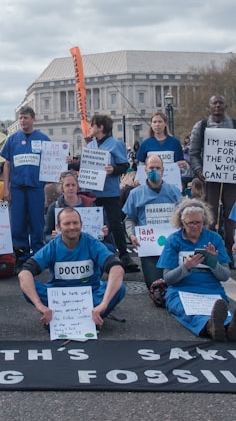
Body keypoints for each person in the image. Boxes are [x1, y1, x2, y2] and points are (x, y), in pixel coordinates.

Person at [157, 199, 236, 341]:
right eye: (191, 223)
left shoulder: (214, 238)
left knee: (219, 309)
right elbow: (168, 278)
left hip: (211, 290)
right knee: (190, 312)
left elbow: (225, 276)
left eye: (199, 222)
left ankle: (230, 327)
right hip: (182, 290)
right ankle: (211, 327)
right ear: (183, 223)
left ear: (204, 221)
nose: (195, 226)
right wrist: (186, 267)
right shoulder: (173, 240)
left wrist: (213, 263)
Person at [17, 207, 126, 330]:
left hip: (90, 296)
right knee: (28, 287)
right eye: (67, 224)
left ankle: (93, 314)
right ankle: (60, 315)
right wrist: (40, 306)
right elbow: (24, 273)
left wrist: (104, 304)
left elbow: (117, 269)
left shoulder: (92, 243)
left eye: (75, 223)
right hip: (59, 298)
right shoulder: (52, 246)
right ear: (58, 227)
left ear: (81, 224)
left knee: (119, 288)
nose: (72, 227)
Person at [188, 95, 236, 253]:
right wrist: (199, 171)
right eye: (215, 103)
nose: (218, 106)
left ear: (226, 106)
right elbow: (193, 153)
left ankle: (231, 249)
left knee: (233, 214)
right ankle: (209, 249)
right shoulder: (201, 126)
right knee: (209, 214)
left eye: (221, 103)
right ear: (209, 107)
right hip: (209, 177)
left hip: (232, 177)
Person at [80, 114, 137, 272]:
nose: (90, 128)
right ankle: (96, 255)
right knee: (93, 224)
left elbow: (125, 165)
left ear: (101, 127)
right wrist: (71, 163)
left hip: (109, 191)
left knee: (115, 224)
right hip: (92, 191)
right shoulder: (90, 146)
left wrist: (114, 170)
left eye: (92, 125)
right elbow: (85, 165)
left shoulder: (115, 144)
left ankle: (124, 255)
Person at [123, 153, 183, 299]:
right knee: (154, 284)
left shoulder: (174, 192)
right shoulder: (135, 194)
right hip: (149, 248)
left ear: (163, 170)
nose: (154, 171)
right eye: (151, 168)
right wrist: (131, 235)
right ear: (145, 170)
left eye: (157, 168)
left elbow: (183, 217)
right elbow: (129, 218)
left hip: (172, 246)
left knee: (177, 282)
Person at [0, 105, 51, 260]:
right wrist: (6, 188)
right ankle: (21, 256)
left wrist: (64, 160)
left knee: (37, 222)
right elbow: (7, 165)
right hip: (17, 188)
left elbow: (53, 160)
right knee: (18, 223)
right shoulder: (12, 139)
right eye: (20, 117)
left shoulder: (43, 139)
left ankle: (38, 256)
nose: (22, 121)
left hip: (36, 187)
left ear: (33, 119)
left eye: (25, 117)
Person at [43, 170, 100, 239]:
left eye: (73, 185)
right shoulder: (54, 207)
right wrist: (52, 237)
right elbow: (46, 235)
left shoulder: (90, 205)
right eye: (67, 185)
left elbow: (102, 233)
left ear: (77, 187)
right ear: (62, 188)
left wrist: (103, 232)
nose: (71, 188)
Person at [135, 110, 187, 181]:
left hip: (171, 182)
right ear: (151, 125)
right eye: (154, 122)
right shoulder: (145, 143)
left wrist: (184, 166)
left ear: (165, 124)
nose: (157, 124)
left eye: (160, 121)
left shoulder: (175, 143)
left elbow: (181, 164)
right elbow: (141, 165)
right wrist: (138, 178)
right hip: (150, 183)